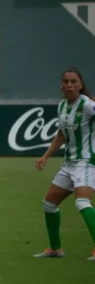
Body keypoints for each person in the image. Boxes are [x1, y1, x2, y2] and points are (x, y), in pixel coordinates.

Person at [35, 66, 95, 261]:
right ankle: (55, 249)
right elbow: (61, 134)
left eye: (73, 82)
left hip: (86, 162)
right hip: (69, 164)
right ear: (61, 85)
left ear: (80, 85)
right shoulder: (62, 106)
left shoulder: (86, 104)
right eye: (66, 82)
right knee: (49, 204)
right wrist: (45, 156)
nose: (69, 85)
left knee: (81, 201)